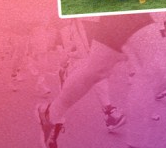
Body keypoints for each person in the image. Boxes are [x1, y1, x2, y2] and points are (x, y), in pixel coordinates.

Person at [38, 13, 154, 148]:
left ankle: (51, 114)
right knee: (152, 68)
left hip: (128, 6)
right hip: (102, 11)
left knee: (96, 69)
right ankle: (109, 113)